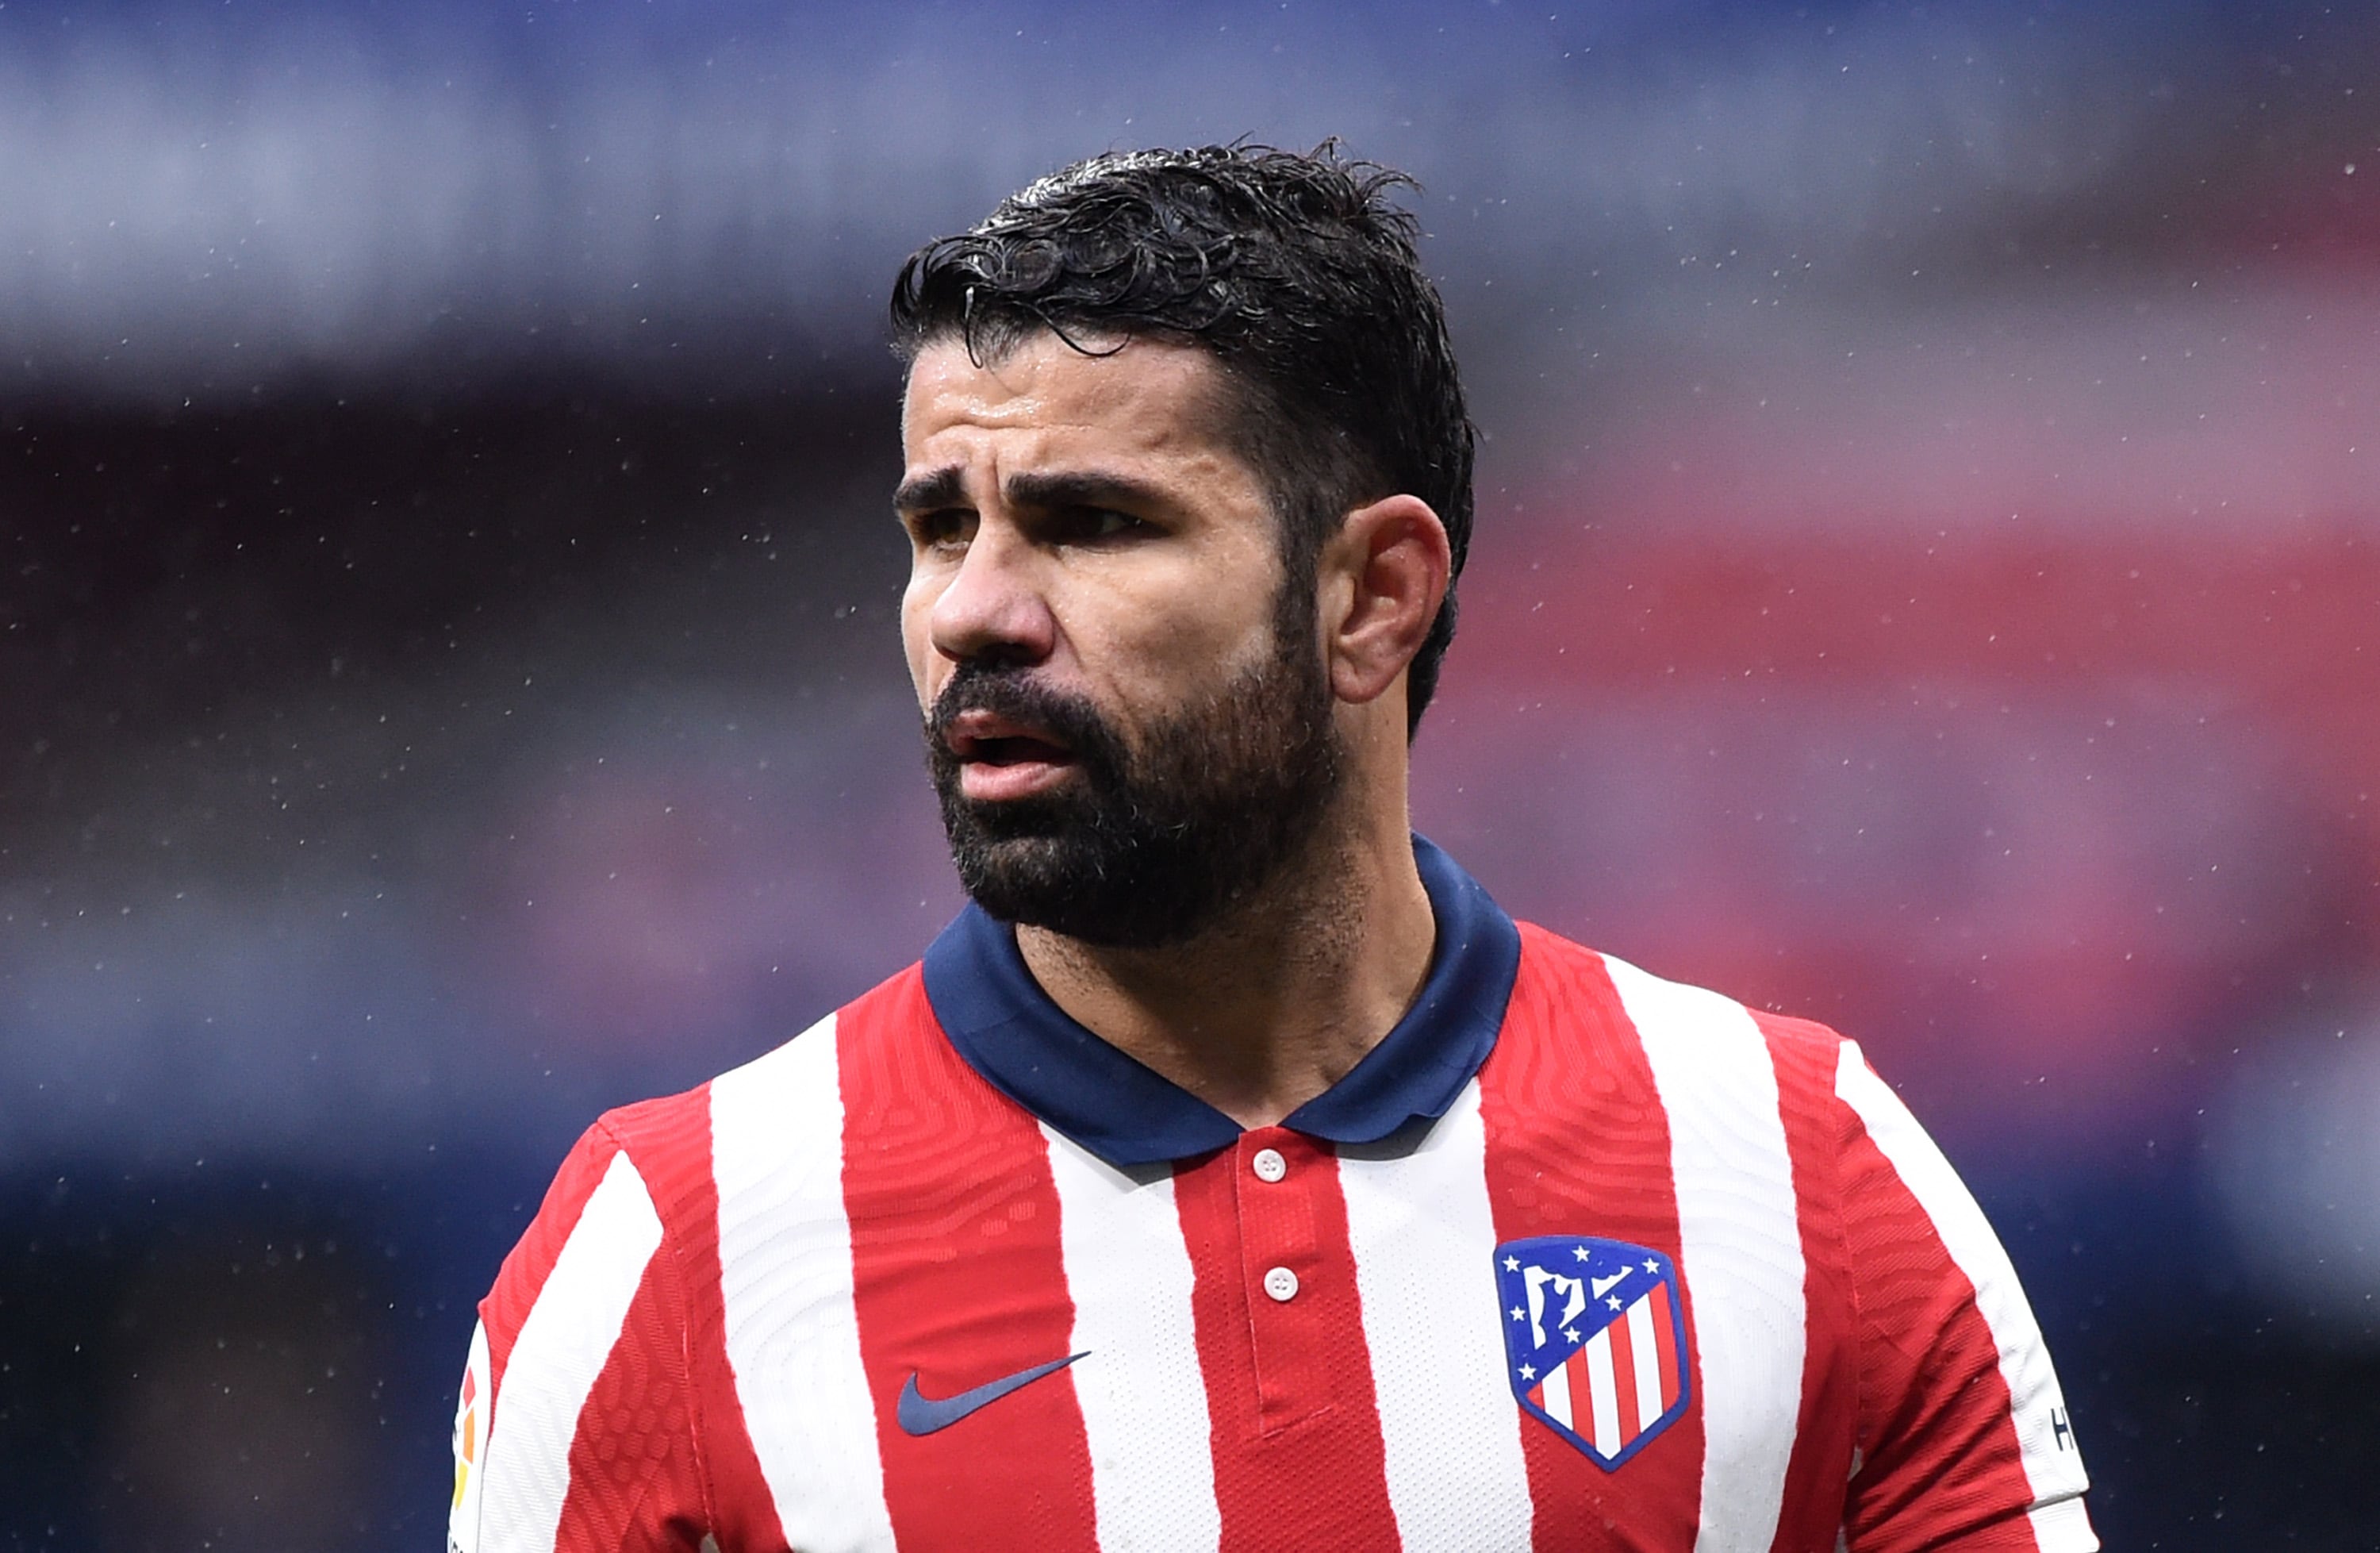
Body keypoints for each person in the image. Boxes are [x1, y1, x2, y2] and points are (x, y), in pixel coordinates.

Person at [447, 144, 2094, 1553]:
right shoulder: (671, 1248)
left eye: (1093, 523)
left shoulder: (1805, 1180)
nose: (972, 613)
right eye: (941, 526)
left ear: (1374, 594)